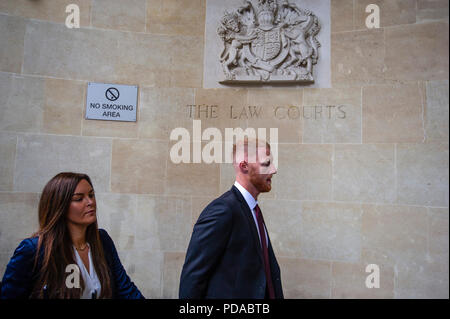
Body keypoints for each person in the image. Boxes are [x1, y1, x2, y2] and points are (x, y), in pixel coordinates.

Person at [0, 172, 144, 299]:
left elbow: (126, 290)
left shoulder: (102, 240)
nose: (90, 202)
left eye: (91, 195)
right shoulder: (33, 249)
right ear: (59, 206)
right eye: (79, 198)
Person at [179, 138, 284, 299]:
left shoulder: (253, 211)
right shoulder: (222, 211)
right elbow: (193, 280)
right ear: (244, 166)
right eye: (266, 164)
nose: (274, 170)